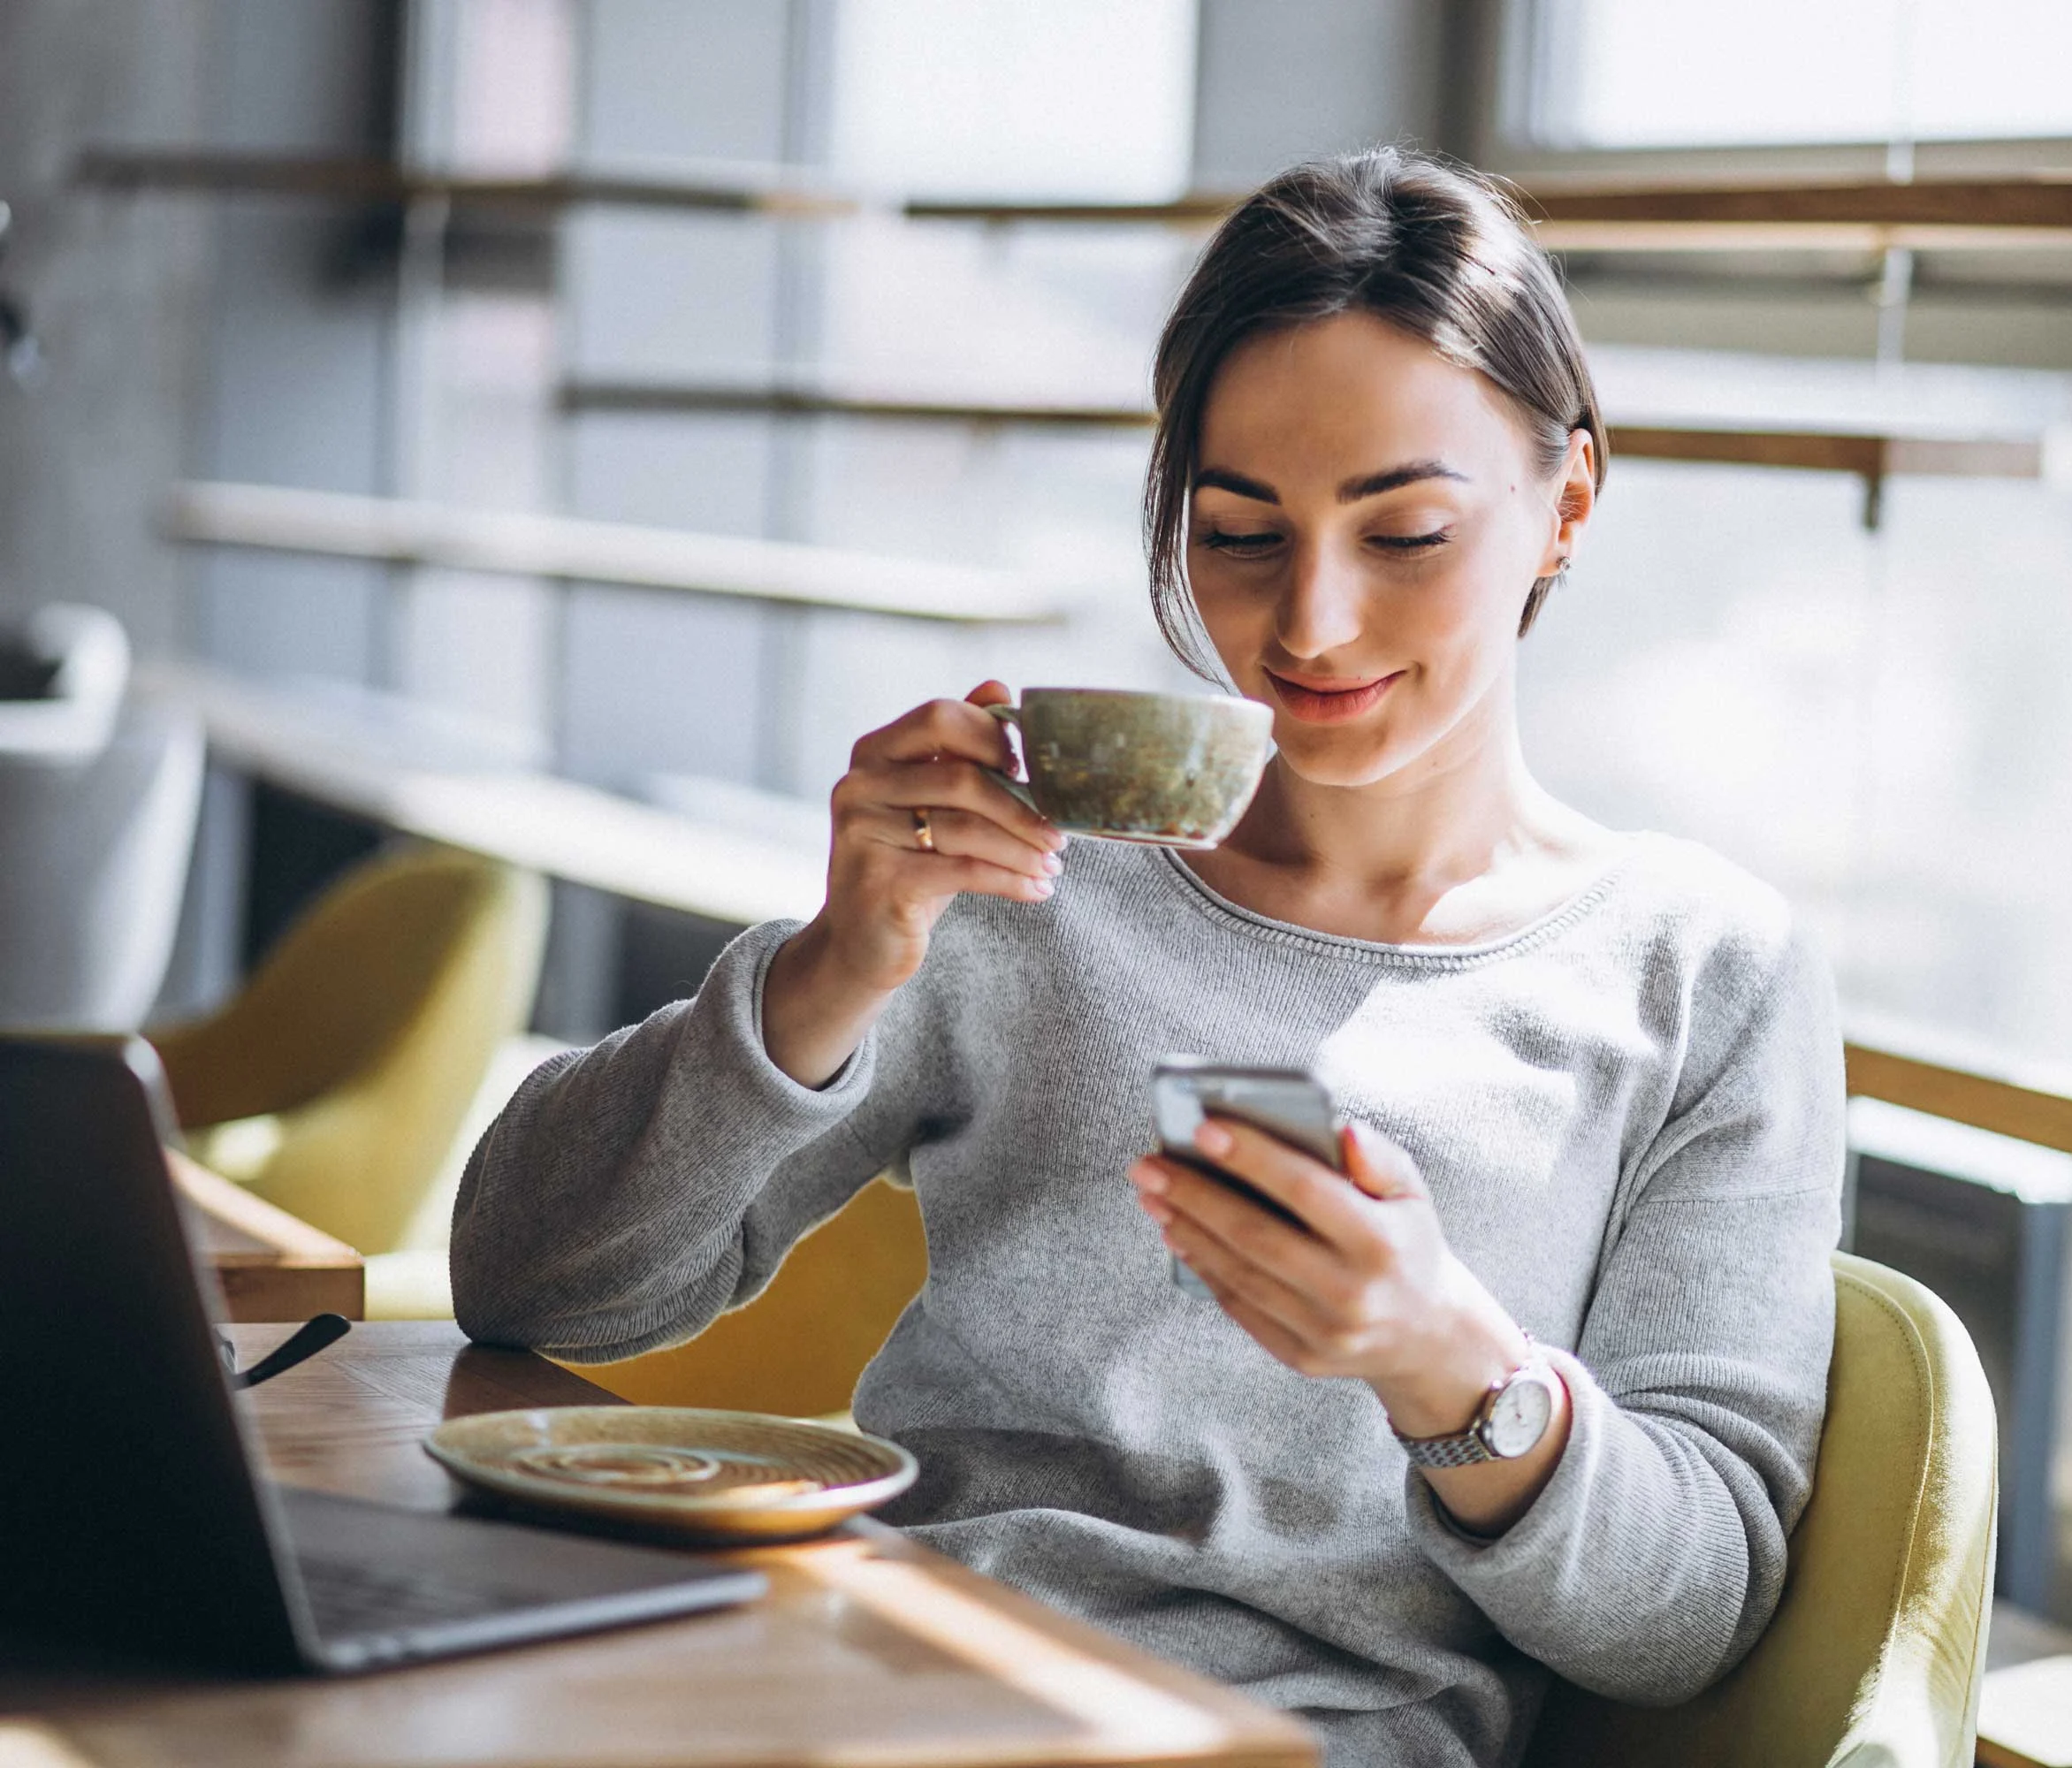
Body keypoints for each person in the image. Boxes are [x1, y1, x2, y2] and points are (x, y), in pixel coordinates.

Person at [453, 148, 1844, 1768]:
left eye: (1404, 533)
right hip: (869, 1686)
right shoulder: (1031, 881)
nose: (1309, 624)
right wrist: (835, 965)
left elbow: (1694, 1617)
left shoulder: (1701, 974)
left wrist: (1446, 1366)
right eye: (1240, 532)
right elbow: (528, 1278)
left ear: (1567, 508)